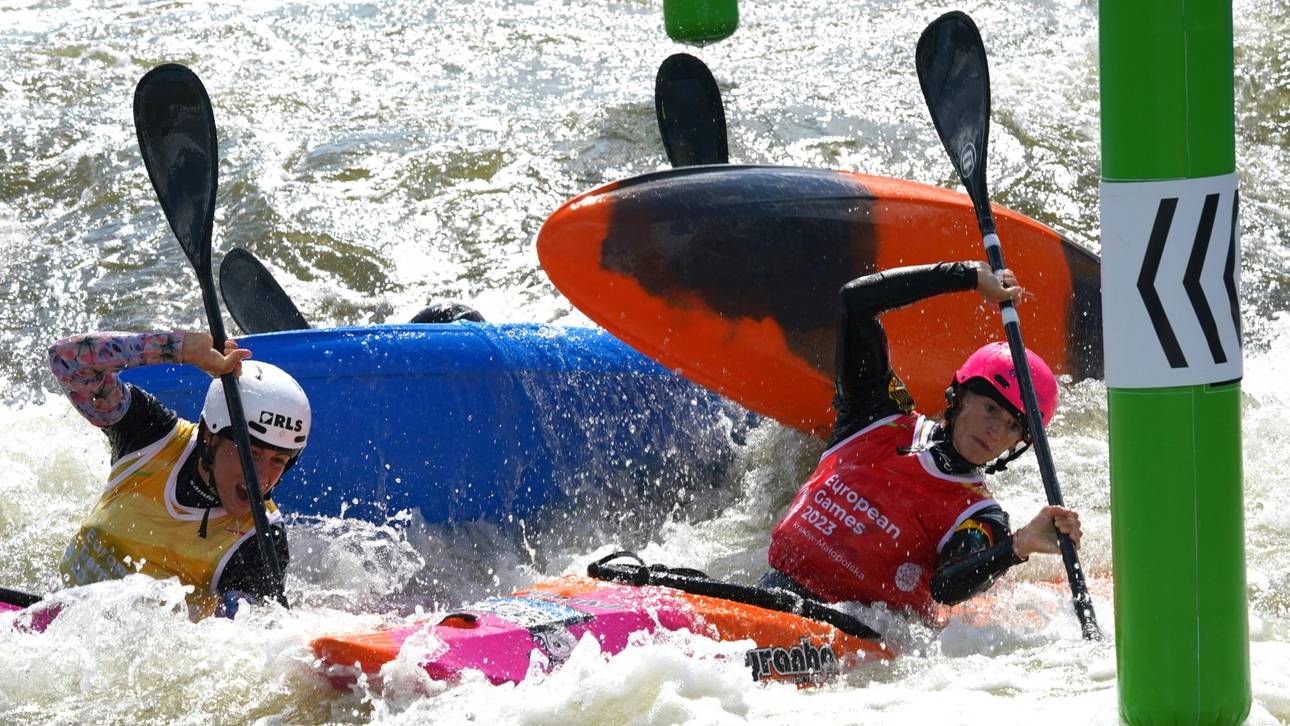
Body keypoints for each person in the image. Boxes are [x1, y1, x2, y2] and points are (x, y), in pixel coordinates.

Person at [760, 261, 1083, 620]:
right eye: (991, 409)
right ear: (960, 396)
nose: (996, 431)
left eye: (1012, 427)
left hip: (853, 635)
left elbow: (947, 587)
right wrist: (968, 276)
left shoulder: (980, 516)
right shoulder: (877, 414)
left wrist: (1017, 546)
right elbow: (854, 303)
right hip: (773, 593)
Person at [49, 330, 311, 618]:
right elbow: (68, 360)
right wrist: (178, 348)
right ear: (210, 437)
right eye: (251, 453)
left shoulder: (259, 538)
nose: (261, 476)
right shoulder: (150, 438)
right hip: (58, 619)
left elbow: (240, 641)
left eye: (278, 460)